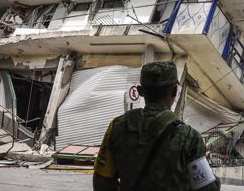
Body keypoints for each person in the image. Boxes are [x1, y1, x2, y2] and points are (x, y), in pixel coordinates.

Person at [93, 61, 221, 191]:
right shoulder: (189, 137)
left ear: (140, 91)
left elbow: (101, 182)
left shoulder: (117, 127)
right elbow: (207, 189)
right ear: (174, 91)